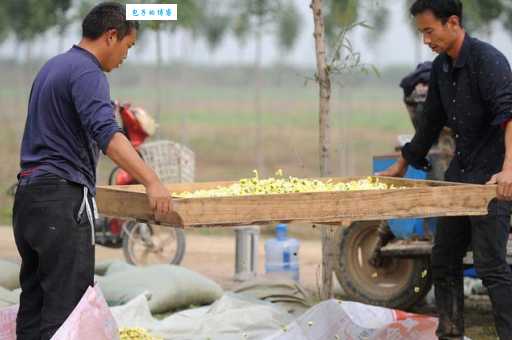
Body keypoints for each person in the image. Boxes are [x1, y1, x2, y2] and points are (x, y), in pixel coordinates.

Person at [12, 2, 172, 339]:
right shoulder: (88, 73)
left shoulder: (53, 67)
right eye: (128, 46)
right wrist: (152, 181)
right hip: (62, 200)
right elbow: (108, 135)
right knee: (67, 313)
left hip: (29, 200)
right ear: (111, 36)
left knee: (34, 307)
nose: (126, 56)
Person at [378, 0, 512, 339]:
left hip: (493, 178)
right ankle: (450, 334)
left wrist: (510, 170)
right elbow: (430, 122)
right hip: (460, 173)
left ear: (452, 22)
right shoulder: (440, 68)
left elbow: (509, 116)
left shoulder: (488, 61)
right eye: (422, 32)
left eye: (429, 30)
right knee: (444, 259)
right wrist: (402, 163)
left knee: (491, 267)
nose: (426, 39)